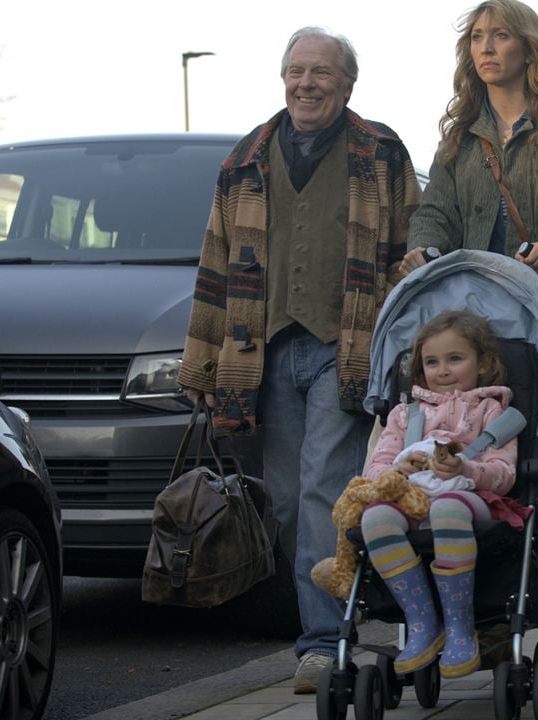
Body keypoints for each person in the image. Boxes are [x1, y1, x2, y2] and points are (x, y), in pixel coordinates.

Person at [176, 26, 422, 692]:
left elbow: (414, 250)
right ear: (282, 78)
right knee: (287, 501)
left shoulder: (381, 153)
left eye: (320, 73)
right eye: (295, 71)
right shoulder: (246, 160)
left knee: (320, 493)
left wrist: (414, 347)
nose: (305, 83)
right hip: (262, 353)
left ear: (347, 85)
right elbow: (215, 266)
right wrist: (200, 366)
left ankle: (322, 643)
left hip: (346, 349)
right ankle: (362, 599)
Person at [399, 0, 538, 641]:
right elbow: (435, 210)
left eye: (500, 36)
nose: (487, 47)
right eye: (477, 38)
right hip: (486, 333)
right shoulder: (459, 139)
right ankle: (501, 610)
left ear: (529, 48)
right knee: (496, 462)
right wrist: (422, 246)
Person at [359, 310, 519, 678]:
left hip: (468, 501)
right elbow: (375, 469)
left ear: (482, 365)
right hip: (413, 500)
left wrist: (466, 468)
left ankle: (460, 626)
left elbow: (504, 473)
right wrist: (401, 467)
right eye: (432, 362)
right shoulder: (405, 414)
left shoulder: (493, 411)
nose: (443, 370)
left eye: (455, 359)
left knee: (448, 507)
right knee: (375, 516)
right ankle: (422, 623)